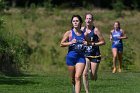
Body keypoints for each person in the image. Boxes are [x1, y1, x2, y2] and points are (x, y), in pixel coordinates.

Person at [60, 15, 87, 93]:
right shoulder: (69, 33)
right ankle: (74, 85)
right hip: (71, 58)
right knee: (73, 78)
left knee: (77, 77)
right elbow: (61, 44)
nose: (75, 22)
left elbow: (89, 43)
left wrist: (87, 43)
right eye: (74, 21)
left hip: (80, 58)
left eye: (77, 21)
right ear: (72, 23)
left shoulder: (84, 34)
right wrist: (70, 42)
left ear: (80, 22)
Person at [81, 13, 105, 93]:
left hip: (95, 55)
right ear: (85, 20)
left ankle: (92, 71)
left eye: (90, 19)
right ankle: (87, 91)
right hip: (86, 54)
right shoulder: (82, 30)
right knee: (84, 74)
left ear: (92, 20)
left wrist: (93, 44)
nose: (88, 20)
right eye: (87, 18)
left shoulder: (95, 30)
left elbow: (103, 42)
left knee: (93, 77)